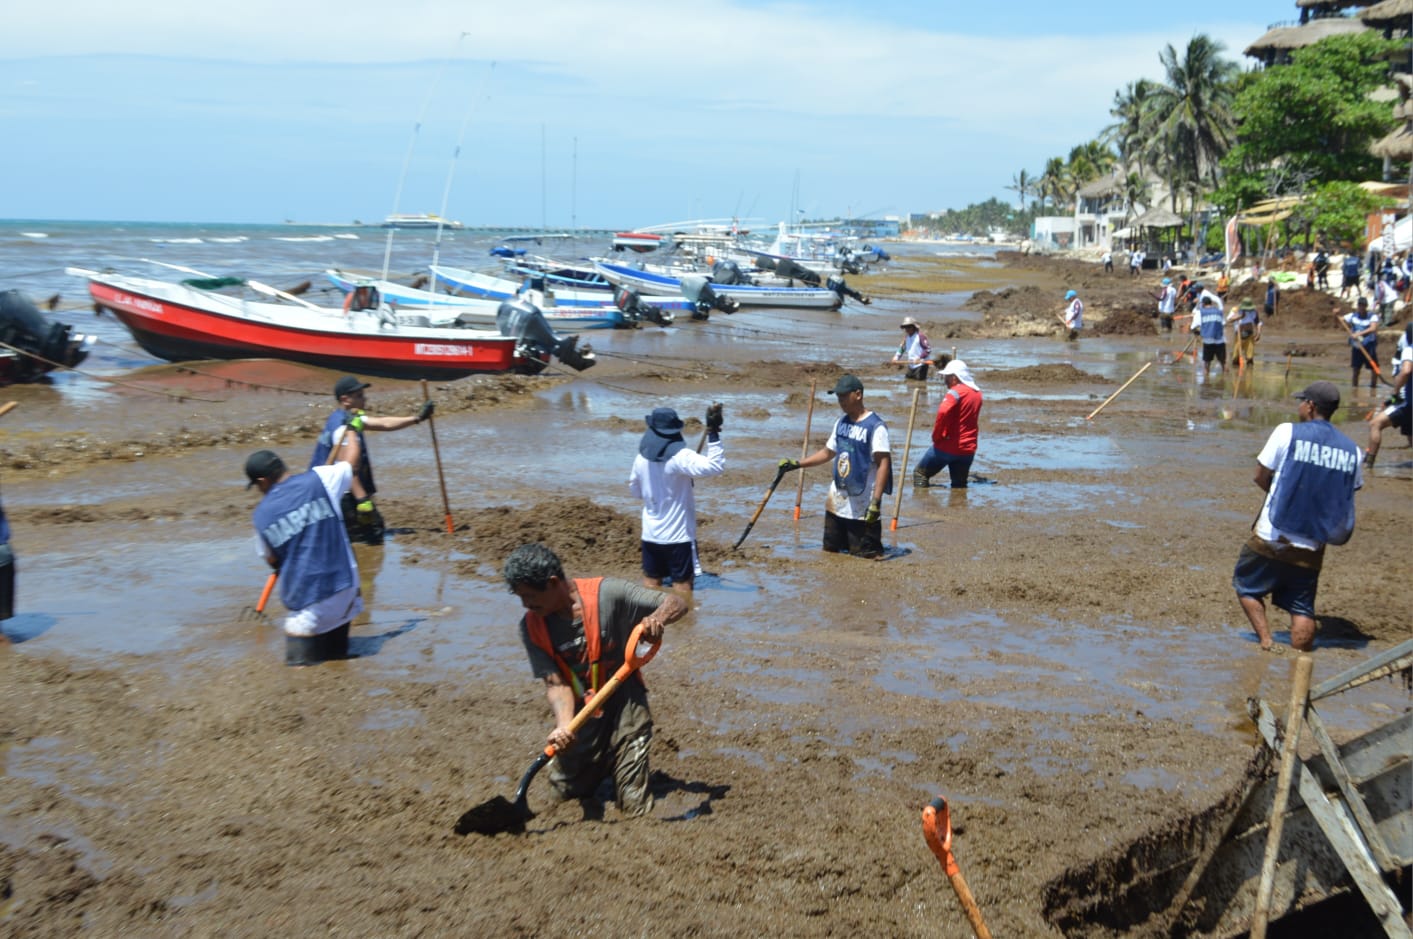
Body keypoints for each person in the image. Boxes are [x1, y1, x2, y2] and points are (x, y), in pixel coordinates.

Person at [506, 542, 687, 819]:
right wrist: (564, 726)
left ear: (553, 583)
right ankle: (598, 763)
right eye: (521, 598)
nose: (526, 605)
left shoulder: (607, 594)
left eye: (530, 596)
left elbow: (677, 601)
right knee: (562, 795)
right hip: (582, 708)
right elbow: (556, 684)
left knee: (633, 802)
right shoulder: (531, 626)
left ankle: (622, 763)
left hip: (625, 699)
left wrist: (655, 620)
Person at [1233, 381, 1362, 653]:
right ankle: (1299, 660)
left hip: (1273, 534)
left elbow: (1260, 475)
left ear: (1311, 406)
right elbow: (1348, 491)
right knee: (1302, 608)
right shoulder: (1353, 451)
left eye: (1302, 401)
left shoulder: (1287, 432)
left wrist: (1278, 495)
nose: (1299, 406)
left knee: (1246, 586)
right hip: (1314, 541)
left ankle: (1267, 642)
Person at [246, 442, 363, 666]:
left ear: (262, 481)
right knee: (337, 661)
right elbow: (351, 462)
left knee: (300, 679)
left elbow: (272, 560)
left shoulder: (261, 516)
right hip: (345, 590)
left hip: (309, 605)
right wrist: (352, 429)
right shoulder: (320, 478)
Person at [309, 376, 434, 546]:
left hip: (332, 489)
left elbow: (384, 424)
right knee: (370, 537)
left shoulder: (347, 418)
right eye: (359, 395)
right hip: (340, 494)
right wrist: (363, 501)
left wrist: (418, 418)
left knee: (360, 537)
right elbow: (347, 469)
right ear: (345, 400)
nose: (364, 399)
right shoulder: (342, 429)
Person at [777, 374, 892, 559]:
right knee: (831, 553)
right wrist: (797, 464)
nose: (841, 401)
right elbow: (828, 452)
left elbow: (884, 464)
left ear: (858, 394)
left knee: (866, 557)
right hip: (837, 501)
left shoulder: (876, 427)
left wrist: (876, 502)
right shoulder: (841, 422)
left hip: (863, 505)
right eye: (838, 397)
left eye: (844, 396)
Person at [627, 405, 725, 603]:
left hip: (651, 534)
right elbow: (716, 466)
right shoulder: (681, 457)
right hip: (678, 537)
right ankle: (684, 626)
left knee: (651, 583)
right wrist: (713, 433)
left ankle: (650, 625)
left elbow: (635, 491)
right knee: (682, 587)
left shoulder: (640, 459)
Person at [913, 360, 982, 489]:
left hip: (948, 446)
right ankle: (958, 506)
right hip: (968, 448)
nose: (944, 379)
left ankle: (923, 506)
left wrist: (937, 435)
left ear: (954, 378)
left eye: (947, 376)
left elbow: (943, 411)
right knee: (959, 484)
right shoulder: (977, 393)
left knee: (920, 474)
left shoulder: (955, 392)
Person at [1365, 323, 1413, 468]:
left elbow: (1405, 371)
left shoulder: (1409, 350)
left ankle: (1369, 463)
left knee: (1375, 424)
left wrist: (1396, 390)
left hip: (1407, 401)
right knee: (1410, 434)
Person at [1343, 296, 1380, 391]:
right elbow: (1342, 320)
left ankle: (1373, 387)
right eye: (1360, 305)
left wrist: (1358, 334)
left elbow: (1373, 328)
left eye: (1363, 305)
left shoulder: (1372, 316)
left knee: (1374, 369)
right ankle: (1354, 388)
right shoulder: (1353, 316)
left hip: (1369, 346)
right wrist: (1337, 314)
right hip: (1357, 347)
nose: (1361, 307)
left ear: (1366, 306)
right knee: (1356, 370)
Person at [1191, 291, 1227, 378]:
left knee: (1207, 363)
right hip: (1220, 340)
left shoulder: (1200, 312)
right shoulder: (1219, 311)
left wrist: (1196, 331)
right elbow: (1223, 323)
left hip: (1208, 340)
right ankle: (1225, 378)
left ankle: (1206, 381)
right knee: (1223, 362)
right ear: (1211, 303)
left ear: (1203, 304)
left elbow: (1194, 326)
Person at [892, 316, 932, 381]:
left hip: (921, 364)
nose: (907, 329)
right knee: (908, 381)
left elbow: (928, 349)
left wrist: (920, 358)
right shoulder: (906, 338)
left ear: (913, 327)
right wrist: (896, 357)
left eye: (909, 327)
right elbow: (902, 348)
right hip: (911, 364)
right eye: (905, 327)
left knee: (920, 384)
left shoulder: (920, 336)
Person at [1228, 300, 1261, 365]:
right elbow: (1229, 320)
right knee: (1235, 358)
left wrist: (1258, 333)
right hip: (1239, 335)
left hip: (1249, 335)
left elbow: (1258, 323)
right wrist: (1240, 316)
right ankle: (1236, 373)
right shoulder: (1237, 310)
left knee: (1250, 358)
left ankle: (1249, 373)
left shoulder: (1254, 311)